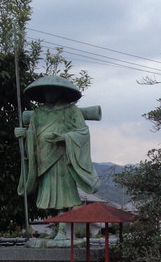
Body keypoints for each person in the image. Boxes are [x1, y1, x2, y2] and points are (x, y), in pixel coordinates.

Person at [15, 75, 100, 213]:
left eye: (52, 91)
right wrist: (23, 134)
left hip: (62, 155)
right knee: (47, 193)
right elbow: (32, 133)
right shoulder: (38, 113)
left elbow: (83, 132)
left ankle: (61, 228)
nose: (48, 95)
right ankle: (55, 226)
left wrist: (64, 137)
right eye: (46, 91)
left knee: (63, 192)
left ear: (60, 92)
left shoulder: (71, 110)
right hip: (44, 157)